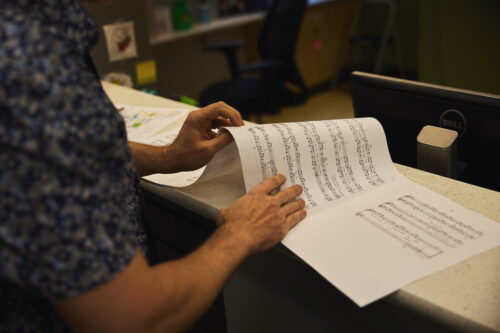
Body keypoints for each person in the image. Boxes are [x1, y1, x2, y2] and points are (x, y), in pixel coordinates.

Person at [0, 0, 307, 331]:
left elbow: (60, 158)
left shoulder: (34, 41)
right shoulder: (31, 73)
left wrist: (167, 157)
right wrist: (239, 234)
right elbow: (129, 318)